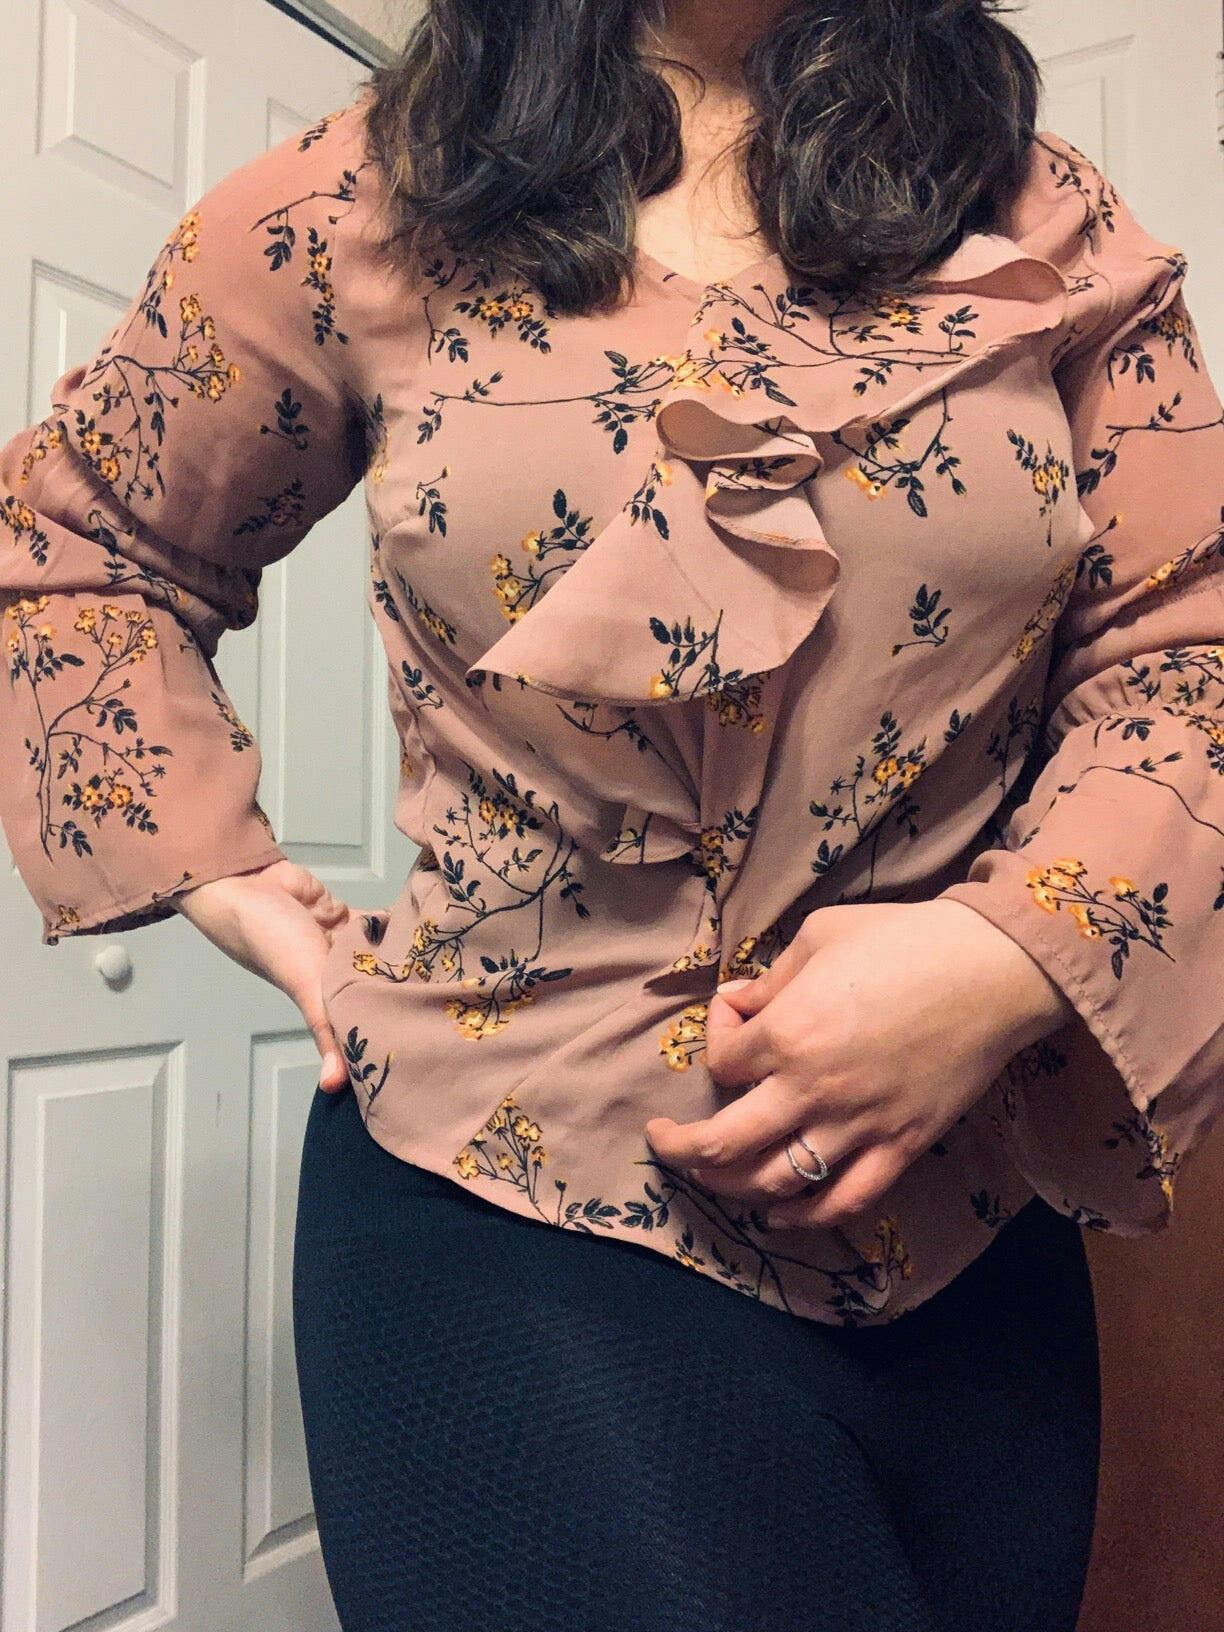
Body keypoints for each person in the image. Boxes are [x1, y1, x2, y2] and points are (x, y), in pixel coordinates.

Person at [2, 1, 1221, 1627]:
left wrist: (1006, 958)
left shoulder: (1040, 213)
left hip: (973, 1240)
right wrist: (222, 874)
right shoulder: (361, 198)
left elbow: (1189, 647)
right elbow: (76, 553)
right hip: (505, 1197)